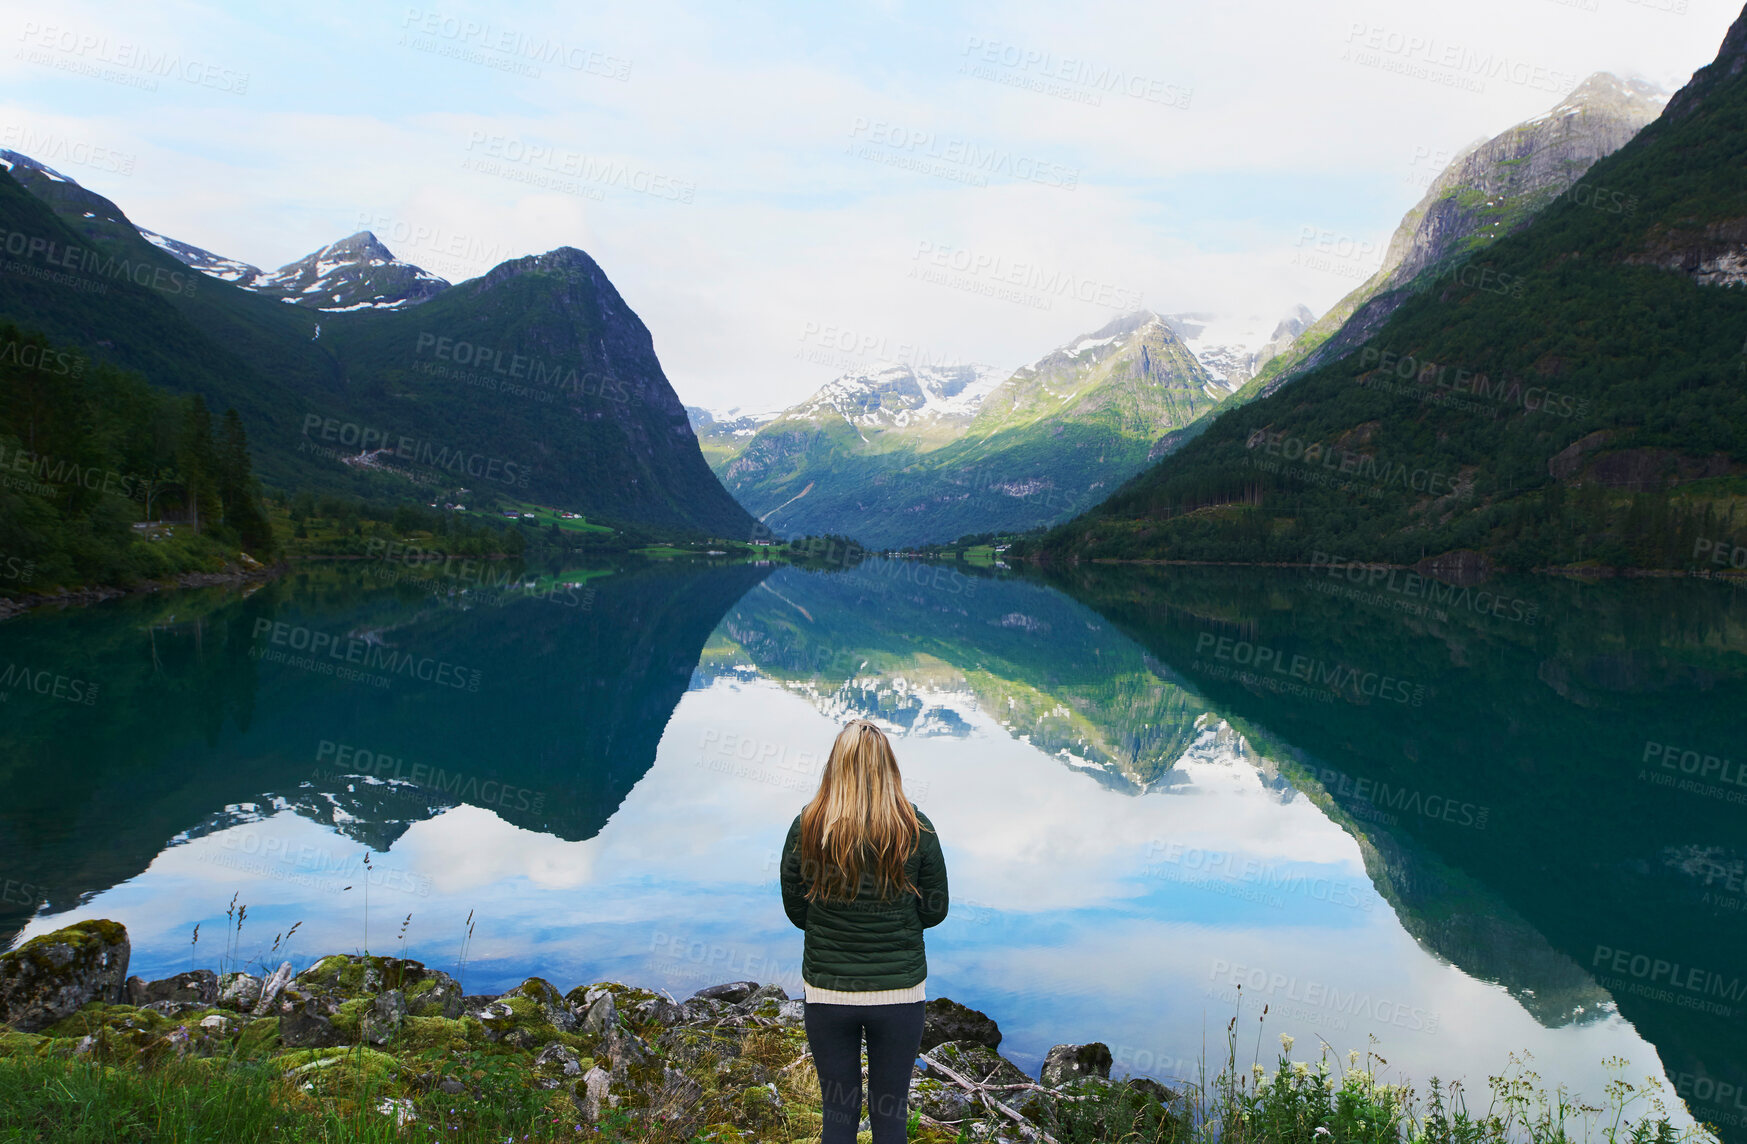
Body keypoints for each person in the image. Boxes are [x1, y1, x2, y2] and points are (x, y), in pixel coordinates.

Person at [780, 718, 949, 1144]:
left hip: (828, 994)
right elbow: (935, 910)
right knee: (890, 1115)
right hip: (899, 996)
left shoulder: (807, 826)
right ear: (889, 768)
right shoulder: (916, 827)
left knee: (838, 1113)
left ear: (835, 766)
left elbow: (797, 909)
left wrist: (831, 927)